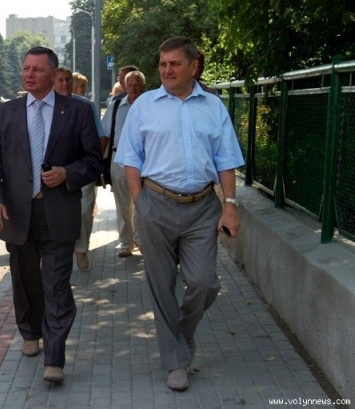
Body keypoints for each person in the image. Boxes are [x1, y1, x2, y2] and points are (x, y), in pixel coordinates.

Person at [115, 36, 244, 391]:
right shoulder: (145, 105)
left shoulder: (213, 106)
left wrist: (230, 206)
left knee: (204, 282)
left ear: (194, 67)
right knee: (161, 286)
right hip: (156, 204)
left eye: (175, 64)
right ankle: (175, 361)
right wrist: (140, 202)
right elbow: (130, 158)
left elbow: (226, 160)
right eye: (163, 64)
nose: (167, 70)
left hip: (203, 208)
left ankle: (181, 335)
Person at [0, 46, 103, 384]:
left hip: (58, 212)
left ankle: (55, 357)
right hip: (18, 214)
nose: (29, 74)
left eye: (37, 69)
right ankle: (30, 331)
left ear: (54, 73)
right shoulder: (3, 113)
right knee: (25, 280)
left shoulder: (76, 111)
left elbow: (94, 161)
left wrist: (68, 173)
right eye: (26, 68)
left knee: (57, 285)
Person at [53, 67, 108, 271]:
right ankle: (61, 250)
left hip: (83, 168)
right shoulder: (46, 106)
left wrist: (95, 164)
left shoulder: (86, 106)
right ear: (52, 82)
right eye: (60, 80)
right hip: (54, 170)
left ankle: (81, 249)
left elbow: (101, 136)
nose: (65, 84)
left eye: (68, 80)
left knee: (85, 210)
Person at [101, 70, 146, 258]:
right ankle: (126, 243)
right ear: (125, 86)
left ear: (143, 86)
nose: (133, 88)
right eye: (130, 84)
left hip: (145, 162)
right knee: (123, 205)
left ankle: (141, 241)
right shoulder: (116, 105)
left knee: (143, 203)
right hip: (118, 159)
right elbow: (105, 134)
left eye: (137, 84)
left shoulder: (150, 105)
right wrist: (99, 160)